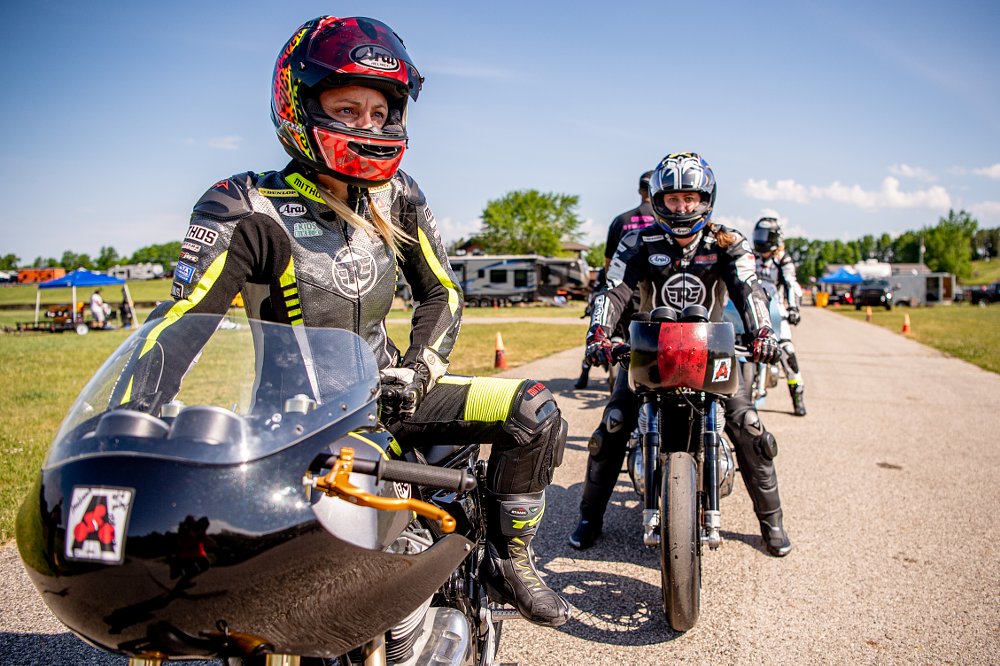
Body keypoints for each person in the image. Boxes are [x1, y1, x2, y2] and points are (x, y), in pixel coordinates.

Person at [111, 16, 569, 627]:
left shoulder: (398, 195)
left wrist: (418, 370)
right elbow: (183, 319)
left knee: (534, 408)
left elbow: (442, 293)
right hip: (292, 421)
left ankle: (509, 559)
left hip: (394, 395)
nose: (368, 127)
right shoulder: (245, 204)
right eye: (348, 109)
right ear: (298, 105)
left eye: (380, 113)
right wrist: (128, 424)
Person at [569, 152, 792, 558]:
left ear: (706, 199)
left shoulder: (729, 242)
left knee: (749, 426)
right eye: (673, 199)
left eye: (690, 198)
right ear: (658, 200)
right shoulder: (637, 241)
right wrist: (598, 334)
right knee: (613, 426)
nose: (682, 207)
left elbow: (749, 289)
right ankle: (589, 518)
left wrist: (763, 332)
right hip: (650, 350)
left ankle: (772, 521)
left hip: (714, 351)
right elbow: (614, 290)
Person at [574, 171, 656, 390]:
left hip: (621, 289)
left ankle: (587, 375)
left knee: (608, 335)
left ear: (639, 190)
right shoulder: (664, 219)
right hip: (650, 293)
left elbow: (610, 265)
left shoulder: (621, 220)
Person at [752, 217, 807, 416]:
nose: (760, 240)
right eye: (759, 235)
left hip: (777, 312)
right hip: (753, 311)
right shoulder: (751, 258)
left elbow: (792, 285)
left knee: (787, 352)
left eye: (765, 236)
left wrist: (793, 308)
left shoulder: (782, 260)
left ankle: (797, 395)